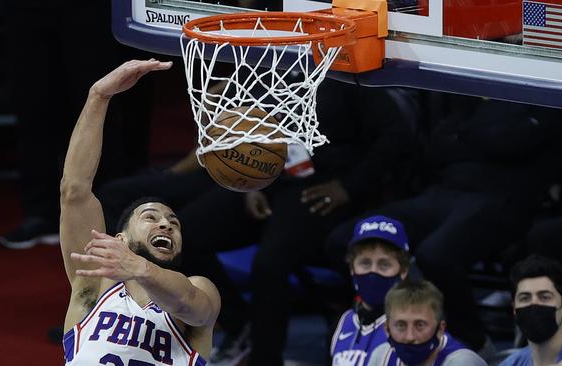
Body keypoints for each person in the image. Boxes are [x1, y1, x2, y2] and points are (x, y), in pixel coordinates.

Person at [177, 80, 419, 366]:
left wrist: (348, 187)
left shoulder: (345, 71)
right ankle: (240, 323)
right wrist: (251, 184)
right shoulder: (268, 66)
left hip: (321, 190)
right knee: (185, 233)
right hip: (270, 181)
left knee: (269, 263)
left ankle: (265, 359)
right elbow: (250, 136)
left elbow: (397, 134)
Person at [327, 94, 562, 353]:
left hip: (502, 198)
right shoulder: (468, 95)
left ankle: (476, 345)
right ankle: (384, 329)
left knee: (437, 255)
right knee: (345, 239)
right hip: (441, 193)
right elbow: (436, 147)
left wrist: (466, 136)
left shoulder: (541, 93)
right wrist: (484, 138)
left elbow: (516, 142)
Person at [59, 60, 221, 365]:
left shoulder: (199, 288)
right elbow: (74, 190)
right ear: (119, 239)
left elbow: (189, 303)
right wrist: (98, 97)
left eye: (174, 223)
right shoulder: (94, 285)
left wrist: (141, 269)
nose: (165, 224)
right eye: (150, 217)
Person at [0, 0, 154, 249]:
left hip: (92, 9)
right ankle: (40, 213)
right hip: (27, 10)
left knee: (98, 100)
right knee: (32, 104)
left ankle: (106, 214)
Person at [331, 215, 412, 366]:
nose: (373, 272)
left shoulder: (417, 328)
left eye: (384, 265)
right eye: (365, 263)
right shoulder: (342, 322)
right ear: (351, 268)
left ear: (403, 271)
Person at [368, 280, 487, 366]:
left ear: (440, 329)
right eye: (401, 325)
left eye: (420, 325)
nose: (410, 337)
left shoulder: (461, 363)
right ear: (387, 329)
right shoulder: (381, 356)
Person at [499, 255, 562, 366]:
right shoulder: (511, 363)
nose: (534, 304)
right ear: (514, 308)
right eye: (525, 298)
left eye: (545, 297)